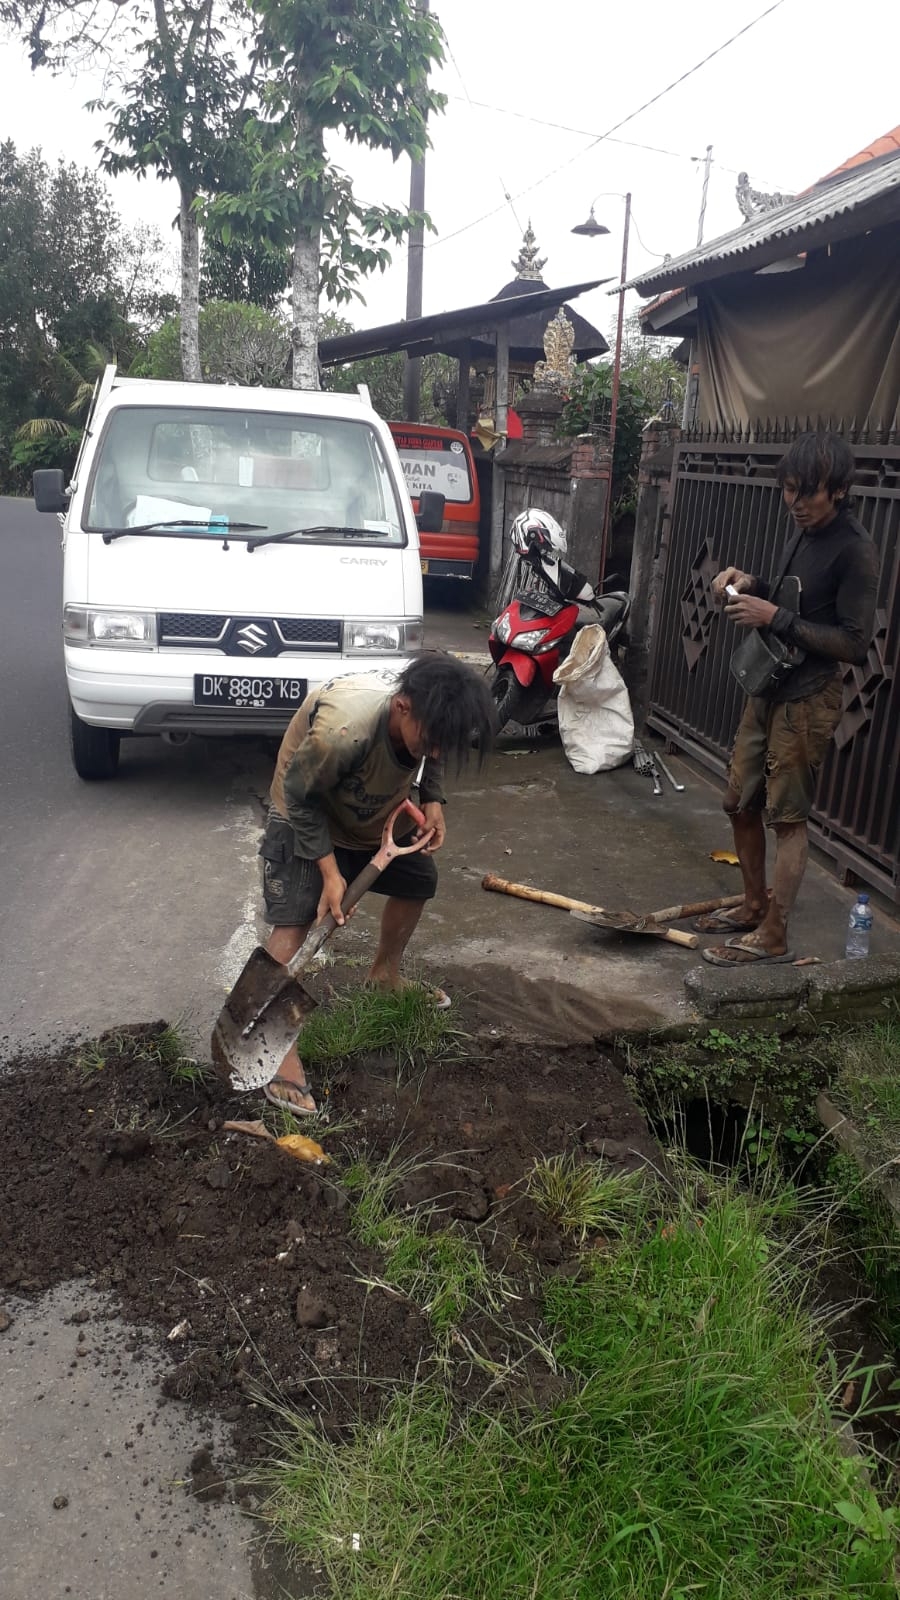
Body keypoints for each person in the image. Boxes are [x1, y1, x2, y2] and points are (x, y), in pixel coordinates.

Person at [258, 652, 496, 1112]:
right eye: (434, 740)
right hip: (306, 811)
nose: (440, 751)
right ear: (402, 707)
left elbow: (436, 748)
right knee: (296, 920)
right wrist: (330, 872)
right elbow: (299, 795)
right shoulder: (342, 732)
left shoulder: (427, 718)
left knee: (418, 879)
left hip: (370, 812)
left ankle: (384, 976)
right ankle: (274, 1045)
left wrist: (432, 798)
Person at [698, 431, 879, 966]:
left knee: (788, 818)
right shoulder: (803, 529)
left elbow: (854, 641)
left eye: (808, 493)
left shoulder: (855, 550)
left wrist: (773, 617)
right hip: (770, 686)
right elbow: (790, 591)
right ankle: (754, 905)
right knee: (737, 801)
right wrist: (747, 582)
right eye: (789, 491)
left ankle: (775, 934)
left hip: (809, 699)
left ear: (839, 490)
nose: (796, 504)